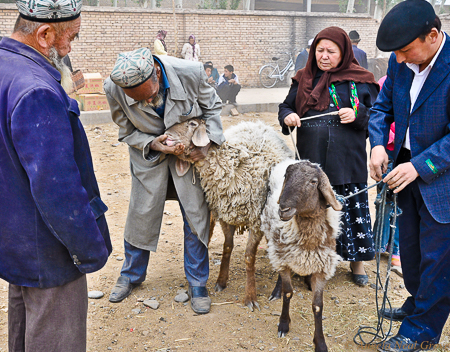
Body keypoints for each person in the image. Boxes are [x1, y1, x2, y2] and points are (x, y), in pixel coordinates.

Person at [0, 0, 112, 350]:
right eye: (71, 39)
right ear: (46, 34)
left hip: (15, 241)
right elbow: (56, 190)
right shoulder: (37, 90)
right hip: (49, 251)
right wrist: (88, 250)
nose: (69, 49)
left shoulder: (5, 67)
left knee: (24, 328)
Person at [104, 48, 225, 315]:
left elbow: (213, 108)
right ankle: (131, 275)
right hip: (149, 157)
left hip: (190, 154)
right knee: (141, 214)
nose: (146, 104)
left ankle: (197, 284)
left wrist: (206, 144)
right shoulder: (113, 89)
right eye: (138, 101)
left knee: (195, 216)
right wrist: (152, 143)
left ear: (157, 73)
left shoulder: (191, 73)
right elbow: (126, 132)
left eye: (148, 96)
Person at [369, 1, 450, 351]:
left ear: (432, 35)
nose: (399, 60)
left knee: (437, 259)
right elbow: (381, 107)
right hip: (403, 170)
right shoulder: (399, 62)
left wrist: (420, 165)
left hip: (440, 176)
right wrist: (376, 145)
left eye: (405, 50)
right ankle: (417, 305)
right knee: (413, 251)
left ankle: (422, 331)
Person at [278, 27, 379, 287]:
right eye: (319, 50)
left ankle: (357, 263)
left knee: (351, 208)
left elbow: (378, 114)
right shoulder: (303, 78)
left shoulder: (361, 80)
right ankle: (314, 265)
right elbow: (286, 106)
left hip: (348, 159)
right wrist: (287, 116)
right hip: (313, 163)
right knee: (315, 215)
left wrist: (357, 115)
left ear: (344, 52)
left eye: (330, 51)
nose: (324, 56)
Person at [373, 75, 402, 278]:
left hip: (408, 154)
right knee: (383, 201)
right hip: (388, 153)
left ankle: (396, 249)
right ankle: (377, 244)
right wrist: (382, 142)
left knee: (400, 204)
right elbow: (379, 114)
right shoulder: (385, 82)